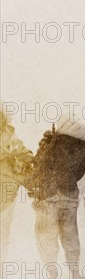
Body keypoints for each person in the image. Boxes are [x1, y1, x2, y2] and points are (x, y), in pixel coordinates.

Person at [27, 115, 85, 279]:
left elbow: (40, 165)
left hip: (49, 197)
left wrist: (30, 183)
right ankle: (75, 273)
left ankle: (52, 273)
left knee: (46, 234)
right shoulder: (80, 146)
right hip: (69, 196)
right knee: (70, 234)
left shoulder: (54, 143)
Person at [1, 110, 33, 267]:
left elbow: (26, 155)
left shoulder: (11, 138)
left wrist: (26, 160)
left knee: (2, 235)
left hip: (6, 196)